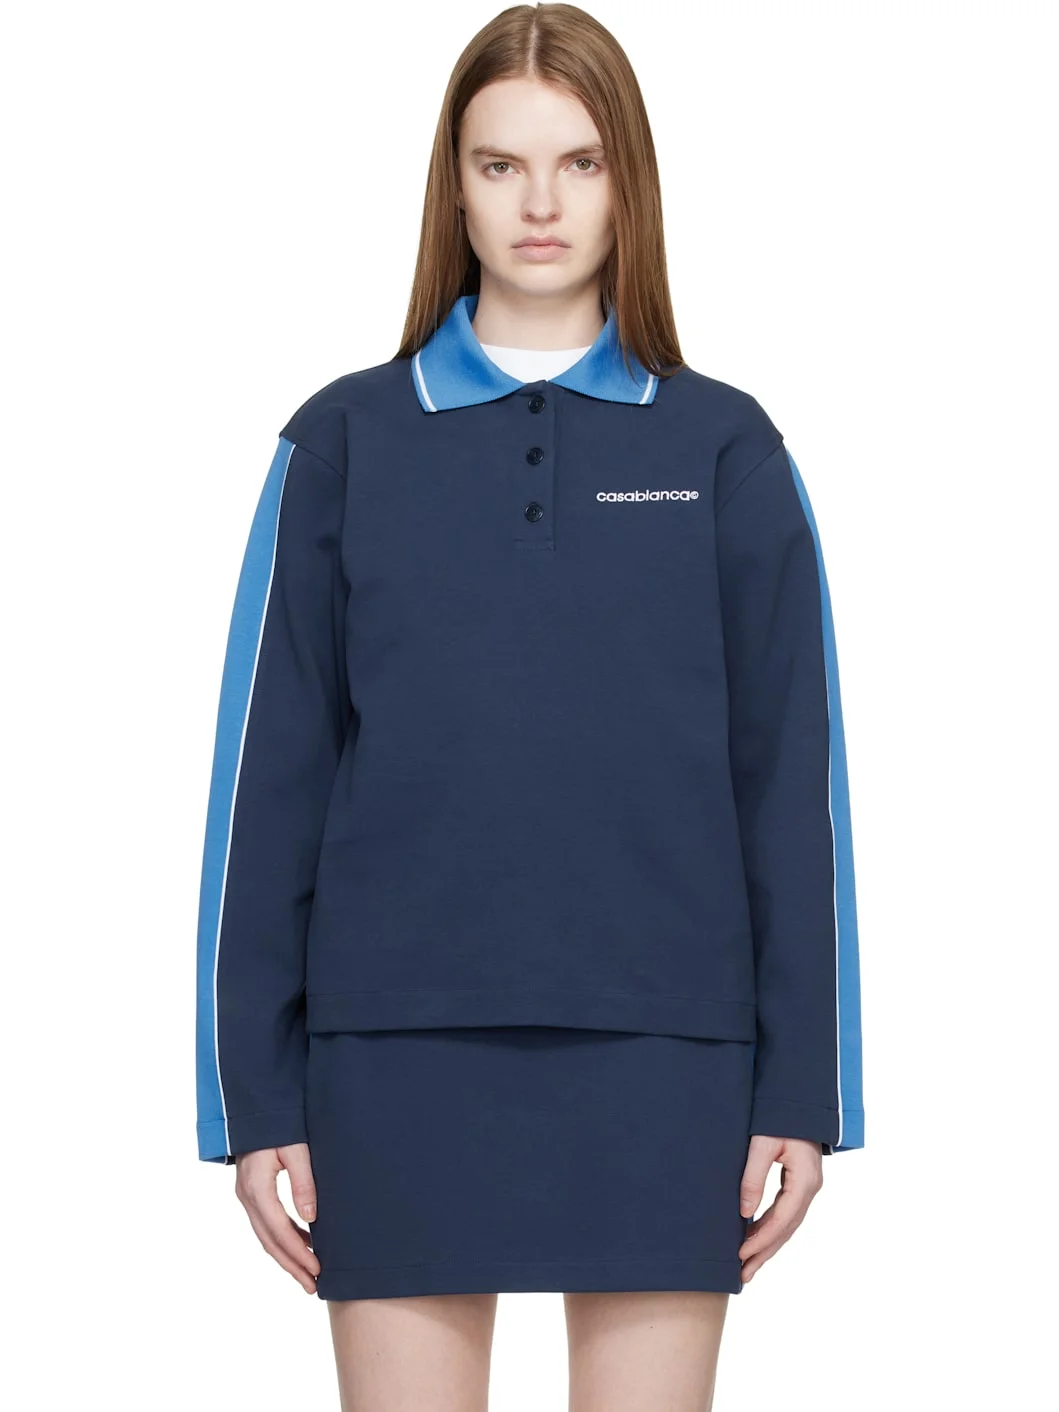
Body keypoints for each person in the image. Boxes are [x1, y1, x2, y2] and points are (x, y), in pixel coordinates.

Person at [193, 3, 864, 1405]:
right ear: (455, 186)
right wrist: (250, 1097)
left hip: (667, 1057)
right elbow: (269, 783)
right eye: (501, 165)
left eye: (579, 162)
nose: (540, 205)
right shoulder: (342, 444)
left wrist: (805, 1089)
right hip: (393, 1058)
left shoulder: (725, 448)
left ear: (630, 182)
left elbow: (790, 786)